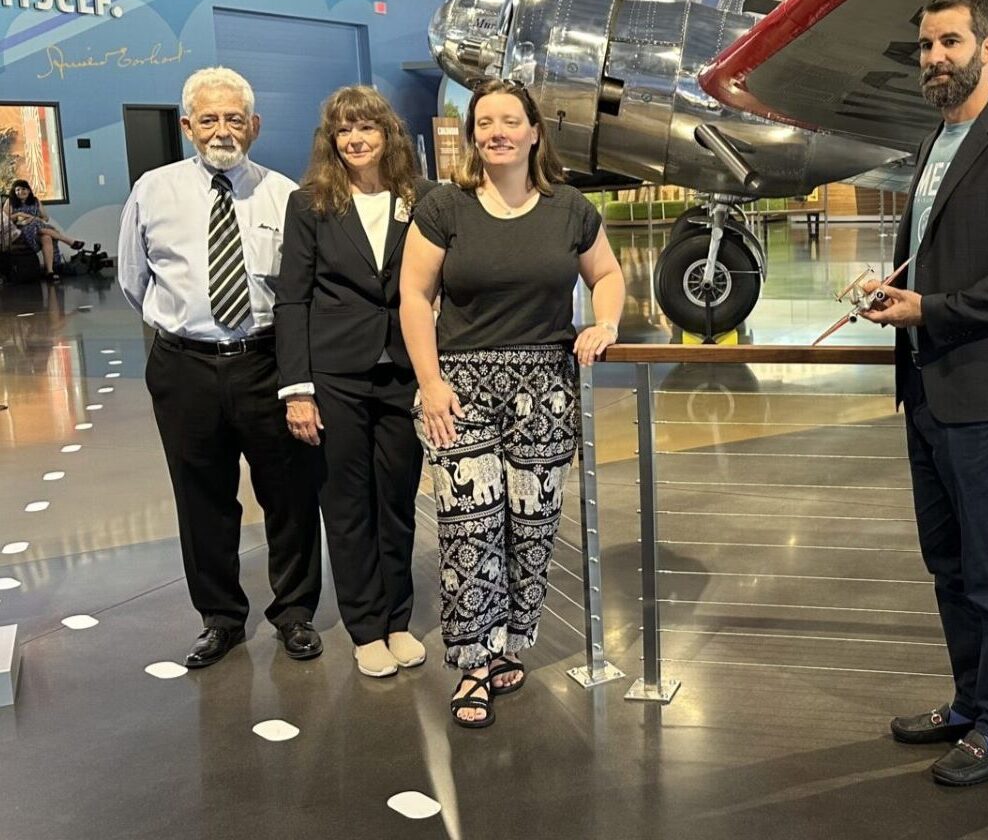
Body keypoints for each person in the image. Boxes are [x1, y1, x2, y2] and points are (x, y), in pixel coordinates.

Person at [860, 0, 988, 785]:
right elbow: (946, 254)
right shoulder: (933, 143)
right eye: (924, 47)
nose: (934, 59)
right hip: (923, 386)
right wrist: (900, 290)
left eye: (949, 42)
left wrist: (933, 309)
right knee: (947, 561)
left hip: (983, 394)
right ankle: (970, 702)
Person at [399, 77, 624, 728]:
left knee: (532, 528)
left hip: (545, 388)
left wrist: (604, 323)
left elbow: (606, 274)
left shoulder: (570, 209)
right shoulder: (444, 207)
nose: (496, 131)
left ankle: (510, 642)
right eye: (484, 121)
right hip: (460, 389)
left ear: (533, 132)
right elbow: (415, 298)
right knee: (468, 530)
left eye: (509, 120)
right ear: (473, 135)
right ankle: (472, 660)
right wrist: (432, 381)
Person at [117, 67, 323, 668]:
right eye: (208, 118)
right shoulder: (152, 191)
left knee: (288, 493)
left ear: (254, 126)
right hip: (185, 368)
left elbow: (299, 291)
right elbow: (134, 282)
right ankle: (220, 617)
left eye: (235, 118)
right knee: (202, 497)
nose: (222, 130)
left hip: (266, 364)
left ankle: (295, 614)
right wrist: (183, 328)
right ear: (187, 126)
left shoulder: (285, 195)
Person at [275, 86, 436, 679]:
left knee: (395, 501)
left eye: (366, 127)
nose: (356, 139)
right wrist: (297, 387)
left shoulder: (422, 199)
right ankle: (366, 628)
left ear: (388, 132)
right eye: (344, 130)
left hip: (402, 370)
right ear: (331, 140)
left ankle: (398, 620)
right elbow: (292, 298)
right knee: (345, 507)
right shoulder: (310, 203)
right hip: (334, 375)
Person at [5, 179, 86, 282]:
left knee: (46, 237)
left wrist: (33, 218)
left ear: (29, 190)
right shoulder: (10, 201)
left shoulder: (35, 201)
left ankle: (50, 271)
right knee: (37, 225)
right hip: (20, 231)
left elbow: (45, 218)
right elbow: (4, 219)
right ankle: (69, 241)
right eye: (17, 190)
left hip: (38, 229)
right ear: (14, 192)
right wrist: (19, 215)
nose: (21, 192)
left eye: (23, 189)